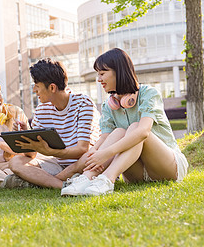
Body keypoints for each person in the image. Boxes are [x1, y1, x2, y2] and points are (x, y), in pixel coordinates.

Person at [61, 48, 189, 196]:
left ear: (118, 71)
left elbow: (143, 132)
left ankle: (107, 180)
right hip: (137, 173)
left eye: (102, 74)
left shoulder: (149, 94)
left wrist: (106, 153)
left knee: (135, 128)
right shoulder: (108, 105)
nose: (99, 79)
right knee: (118, 132)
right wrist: (95, 153)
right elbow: (104, 137)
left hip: (167, 167)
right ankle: (86, 178)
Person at [4, 58, 101, 189]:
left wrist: (51, 152)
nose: (34, 90)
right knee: (16, 162)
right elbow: (32, 155)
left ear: (52, 87)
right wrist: (26, 134)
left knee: (89, 157)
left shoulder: (83, 104)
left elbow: (82, 149)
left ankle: (42, 181)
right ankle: (63, 185)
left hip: (82, 164)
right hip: (56, 164)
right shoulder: (41, 110)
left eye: (37, 86)